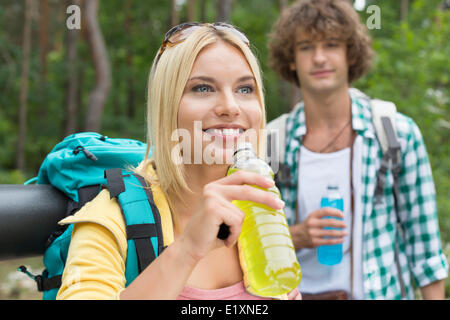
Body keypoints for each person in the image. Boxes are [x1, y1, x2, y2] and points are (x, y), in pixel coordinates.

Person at [56, 22, 301, 300]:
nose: (231, 107)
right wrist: (187, 250)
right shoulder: (111, 217)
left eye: (245, 89)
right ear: (167, 104)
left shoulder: (261, 207)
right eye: (203, 88)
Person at [267, 0, 448, 300]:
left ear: (350, 54)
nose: (320, 58)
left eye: (332, 44)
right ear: (291, 60)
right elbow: (245, 246)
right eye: (306, 47)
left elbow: (425, 251)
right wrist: (296, 235)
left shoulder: (395, 134)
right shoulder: (272, 142)